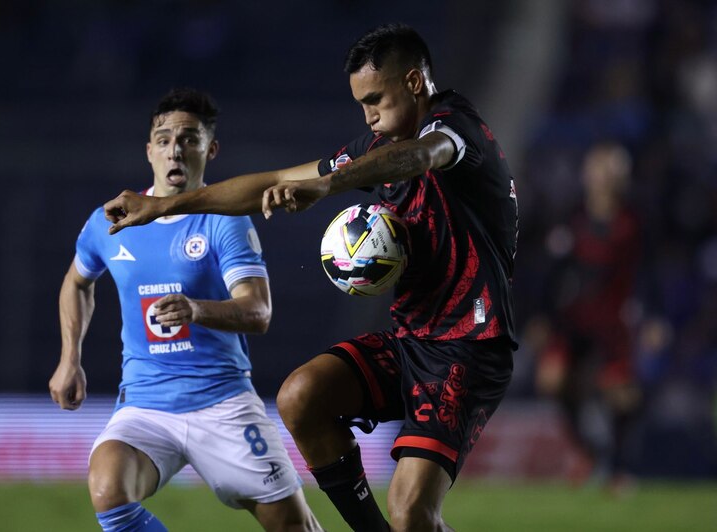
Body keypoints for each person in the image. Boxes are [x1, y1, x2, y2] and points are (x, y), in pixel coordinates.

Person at [105, 24, 518, 532]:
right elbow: (274, 182)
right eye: (361, 105)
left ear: (414, 82)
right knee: (301, 396)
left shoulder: (456, 129)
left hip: (468, 348)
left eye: (375, 100)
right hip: (411, 342)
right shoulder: (377, 144)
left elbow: (421, 156)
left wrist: (327, 185)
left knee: (412, 511)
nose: (368, 116)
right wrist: (164, 205)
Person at [49, 88, 321, 532]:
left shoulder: (225, 220)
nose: (175, 148)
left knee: (294, 526)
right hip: (145, 406)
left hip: (223, 403)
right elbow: (77, 282)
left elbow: (259, 312)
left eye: (189, 139)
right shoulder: (111, 220)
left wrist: (197, 309)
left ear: (210, 150)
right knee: (107, 489)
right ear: (149, 150)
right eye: (164, 138)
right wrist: (69, 359)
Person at [533, 141, 642, 489]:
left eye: (610, 169)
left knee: (621, 392)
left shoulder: (635, 221)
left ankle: (618, 468)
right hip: (574, 319)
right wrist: (542, 317)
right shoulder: (571, 216)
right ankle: (589, 451)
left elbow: (648, 271)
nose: (603, 177)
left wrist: (653, 315)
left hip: (613, 319)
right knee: (552, 380)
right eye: (597, 169)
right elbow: (550, 272)